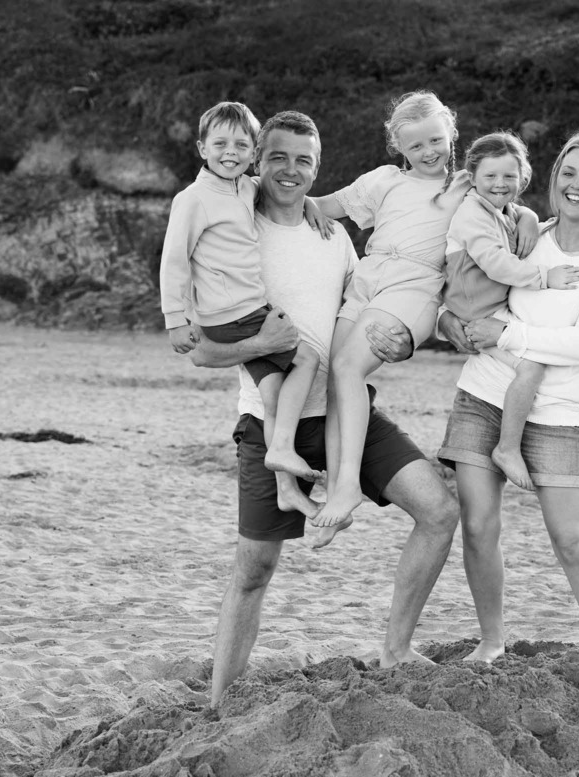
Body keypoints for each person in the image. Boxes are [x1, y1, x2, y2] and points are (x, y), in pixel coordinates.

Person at [185, 110, 459, 707]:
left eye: (303, 160)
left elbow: (376, 305)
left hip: (345, 412)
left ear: (318, 168)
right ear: (258, 160)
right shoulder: (234, 231)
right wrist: (263, 345)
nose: (290, 170)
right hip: (268, 421)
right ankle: (219, 703)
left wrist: (406, 339)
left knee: (439, 510)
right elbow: (200, 350)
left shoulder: (333, 236)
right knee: (255, 569)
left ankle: (395, 649)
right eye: (278, 157)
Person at [437, 131, 579, 696]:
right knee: (478, 526)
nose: (577, 186)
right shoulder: (526, 235)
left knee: (574, 541)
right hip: (483, 394)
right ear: (551, 178)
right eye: (569, 173)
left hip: (557, 413)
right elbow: (469, 290)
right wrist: (446, 325)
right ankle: (492, 640)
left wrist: (511, 334)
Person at [303, 91, 537, 530]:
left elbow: (506, 196)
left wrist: (524, 216)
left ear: (451, 133)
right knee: (333, 374)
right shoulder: (384, 180)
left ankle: (349, 484)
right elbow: (319, 206)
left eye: (436, 140)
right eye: (416, 146)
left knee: (350, 368)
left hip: (416, 283)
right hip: (368, 277)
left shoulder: (466, 184)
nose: (428, 152)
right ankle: (338, 482)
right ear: (399, 149)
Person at [159, 101, 322, 517]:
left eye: (241, 144)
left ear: (253, 153)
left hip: (249, 307)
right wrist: (176, 320)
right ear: (201, 148)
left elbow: (286, 191)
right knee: (306, 358)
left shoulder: (246, 188)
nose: (229, 152)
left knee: (272, 391)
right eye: (219, 143)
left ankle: (285, 485)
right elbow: (174, 259)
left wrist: (312, 204)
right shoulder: (193, 199)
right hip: (234, 313)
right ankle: (282, 448)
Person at [442, 131, 579, 491]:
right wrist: (545, 276)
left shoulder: (500, 210)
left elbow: (516, 214)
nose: (500, 184)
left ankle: (508, 444)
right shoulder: (470, 216)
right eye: (490, 176)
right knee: (532, 365)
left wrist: (528, 215)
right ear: (472, 177)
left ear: (523, 178)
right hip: (478, 314)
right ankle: (507, 448)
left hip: (492, 307)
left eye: (509, 177)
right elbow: (495, 264)